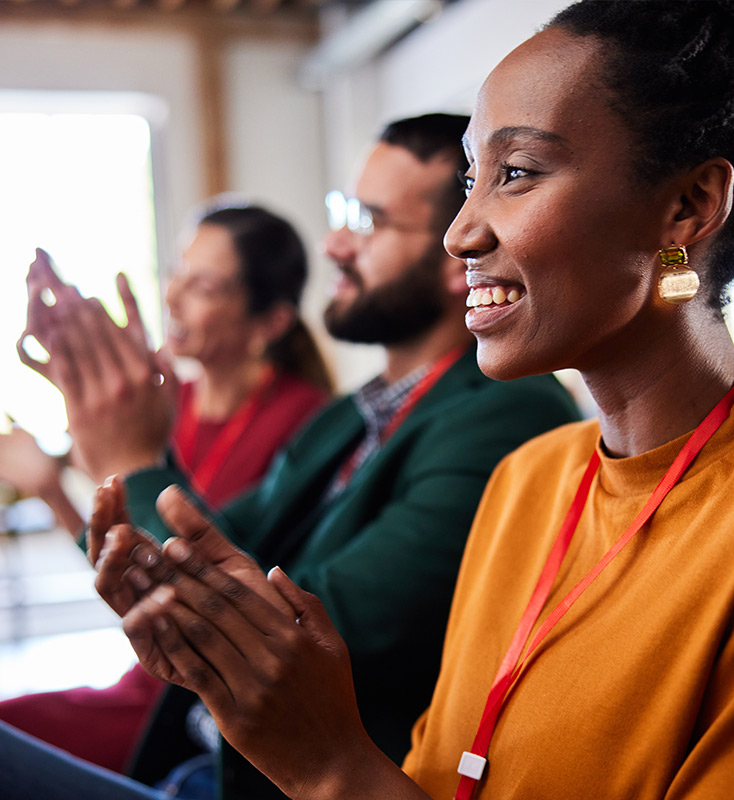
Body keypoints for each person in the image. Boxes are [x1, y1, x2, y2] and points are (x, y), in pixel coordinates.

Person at [0, 3, 734, 798]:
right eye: (469, 178)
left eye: (517, 174)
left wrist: (330, 763)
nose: (461, 231)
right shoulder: (530, 483)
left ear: (686, 210)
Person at [5, 113, 580, 799]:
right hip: (206, 765)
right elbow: (215, 549)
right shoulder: (353, 414)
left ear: (460, 253)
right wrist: (102, 417)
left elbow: (290, 636)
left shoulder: (506, 411)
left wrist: (131, 458)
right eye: (345, 211)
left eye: (368, 221)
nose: (335, 243)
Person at [0, 204, 333, 772]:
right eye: (178, 270)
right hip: (149, 668)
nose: (173, 295)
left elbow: (171, 580)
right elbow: (124, 561)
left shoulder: (302, 423)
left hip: (185, 698)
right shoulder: (166, 402)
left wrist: (53, 490)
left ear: (270, 322)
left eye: (202, 284)